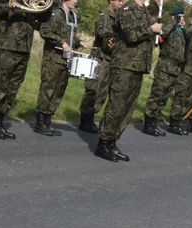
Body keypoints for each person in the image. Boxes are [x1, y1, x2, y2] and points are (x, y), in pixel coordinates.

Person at [94, 0, 162, 161]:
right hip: (124, 64)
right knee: (117, 105)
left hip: (137, 66)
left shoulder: (145, 10)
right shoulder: (127, 8)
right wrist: (151, 29)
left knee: (128, 107)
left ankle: (112, 141)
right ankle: (103, 143)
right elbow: (131, 35)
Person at [0, 0, 51, 140]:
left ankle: (0, 122)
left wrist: (48, 6)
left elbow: (44, 18)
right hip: (5, 45)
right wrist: (9, 6)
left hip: (24, 47)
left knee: (13, 89)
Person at [34, 0, 85, 137]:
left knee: (58, 91)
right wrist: (61, 42)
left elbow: (69, 36)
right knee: (48, 89)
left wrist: (78, 41)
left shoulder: (73, 16)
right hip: (53, 59)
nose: (76, 1)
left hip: (66, 61)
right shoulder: (56, 14)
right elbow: (45, 30)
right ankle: (40, 122)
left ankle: (48, 120)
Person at [142, 6, 188, 138]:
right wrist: (173, 21)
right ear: (174, 17)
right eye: (180, 17)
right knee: (157, 95)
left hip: (174, 69)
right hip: (165, 68)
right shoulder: (169, 27)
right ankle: (148, 123)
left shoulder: (180, 31)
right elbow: (163, 34)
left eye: (183, 17)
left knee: (163, 98)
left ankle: (154, 121)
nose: (182, 19)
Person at [77, 0, 121, 133]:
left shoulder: (117, 18)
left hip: (109, 60)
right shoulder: (104, 16)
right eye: (119, 1)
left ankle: (91, 116)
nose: (121, 4)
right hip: (99, 58)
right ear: (111, 1)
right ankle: (85, 119)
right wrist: (115, 33)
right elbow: (101, 32)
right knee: (93, 89)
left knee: (103, 91)